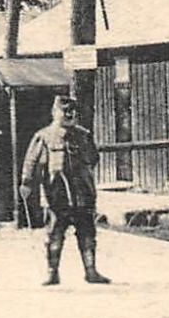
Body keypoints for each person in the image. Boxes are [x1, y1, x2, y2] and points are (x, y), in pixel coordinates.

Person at [20, 94, 110, 286]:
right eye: (64, 111)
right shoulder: (43, 137)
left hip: (83, 194)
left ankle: (91, 271)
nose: (69, 114)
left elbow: (93, 159)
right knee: (55, 233)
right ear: (54, 112)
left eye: (72, 111)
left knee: (87, 232)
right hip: (57, 195)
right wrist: (27, 183)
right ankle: (52, 273)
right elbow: (31, 163)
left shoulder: (84, 135)